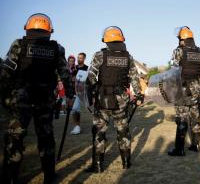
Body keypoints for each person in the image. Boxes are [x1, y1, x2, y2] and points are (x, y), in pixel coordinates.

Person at [0, 13, 71, 183]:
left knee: (15, 138)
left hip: (20, 100)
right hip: (45, 99)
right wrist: (70, 95)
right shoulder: (57, 49)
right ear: (50, 30)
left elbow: (6, 72)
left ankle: (10, 178)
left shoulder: (19, 44)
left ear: (28, 28)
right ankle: (49, 176)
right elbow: (65, 74)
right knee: (46, 138)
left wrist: (3, 95)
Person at [85, 26, 143, 172]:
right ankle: (126, 163)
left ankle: (97, 166)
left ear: (106, 40)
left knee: (99, 131)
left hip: (102, 97)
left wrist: (90, 95)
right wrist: (138, 95)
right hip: (121, 99)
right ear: (121, 39)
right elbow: (135, 78)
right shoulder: (127, 56)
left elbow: (91, 77)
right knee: (123, 131)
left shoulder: (100, 55)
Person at [167, 26, 200, 156]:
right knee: (195, 118)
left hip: (182, 89)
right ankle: (196, 145)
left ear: (182, 39)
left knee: (182, 118)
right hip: (196, 89)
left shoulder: (178, 51)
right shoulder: (199, 52)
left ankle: (179, 149)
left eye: (180, 39)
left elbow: (174, 72)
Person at [70, 52, 88, 135]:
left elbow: (88, 81)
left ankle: (77, 127)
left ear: (84, 59)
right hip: (73, 91)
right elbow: (71, 78)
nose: (79, 59)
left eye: (80, 58)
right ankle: (77, 126)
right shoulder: (74, 68)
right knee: (75, 110)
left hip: (81, 93)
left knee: (75, 109)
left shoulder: (87, 68)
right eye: (78, 57)